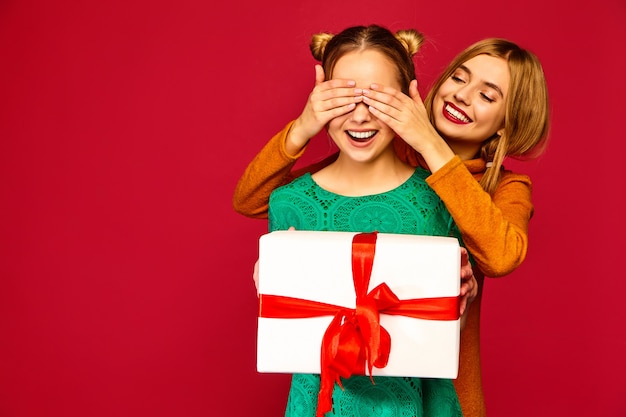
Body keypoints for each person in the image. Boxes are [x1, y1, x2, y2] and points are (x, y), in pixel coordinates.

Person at [233, 29, 550, 417]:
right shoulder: (388, 150)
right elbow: (272, 198)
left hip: (438, 388)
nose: (462, 96)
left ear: (507, 122)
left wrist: (429, 143)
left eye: (487, 95)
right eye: (458, 78)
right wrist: (287, 267)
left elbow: (501, 256)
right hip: (343, 376)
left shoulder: (502, 186)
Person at [257, 24, 475, 417]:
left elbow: (443, 337)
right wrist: (269, 288)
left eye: (378, 100)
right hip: (320, 404)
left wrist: (461, 304)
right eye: (343, 98)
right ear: (320, 94)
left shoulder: (442, 199)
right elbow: (290, 332)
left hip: (419, 404)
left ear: (410, 98)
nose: (359, 116)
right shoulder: (288, 203)